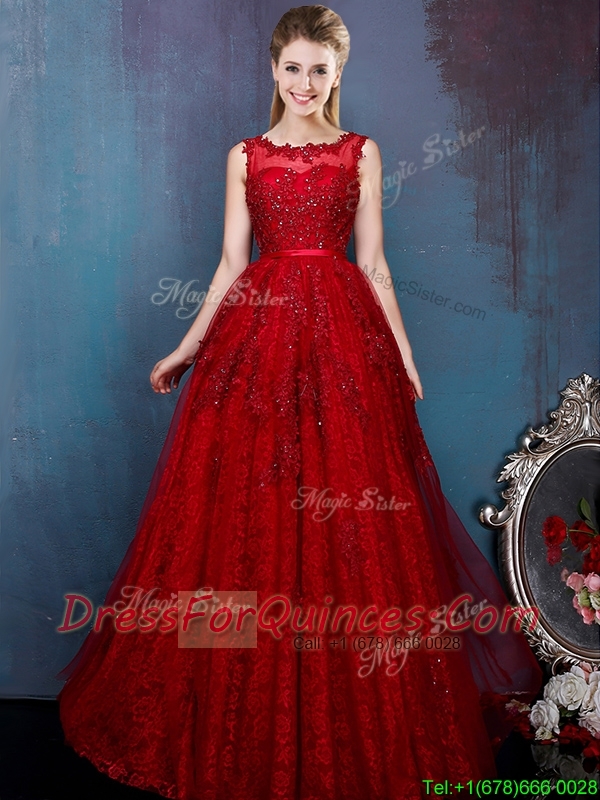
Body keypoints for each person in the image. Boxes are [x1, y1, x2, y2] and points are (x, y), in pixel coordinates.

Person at [56, 6, 543, 799]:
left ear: (339, 73)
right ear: (274, 69)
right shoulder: (245, 156)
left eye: (320, 70)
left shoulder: (361, 152)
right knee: (242, 520)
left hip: (344, 346)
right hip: (255, 344)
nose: (306, 84)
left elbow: (374, 265)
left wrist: (404, 356)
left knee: (349, 522)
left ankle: (349, 714)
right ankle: (230, 707)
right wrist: (185, 350)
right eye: (293, 68)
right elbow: (228, 265)